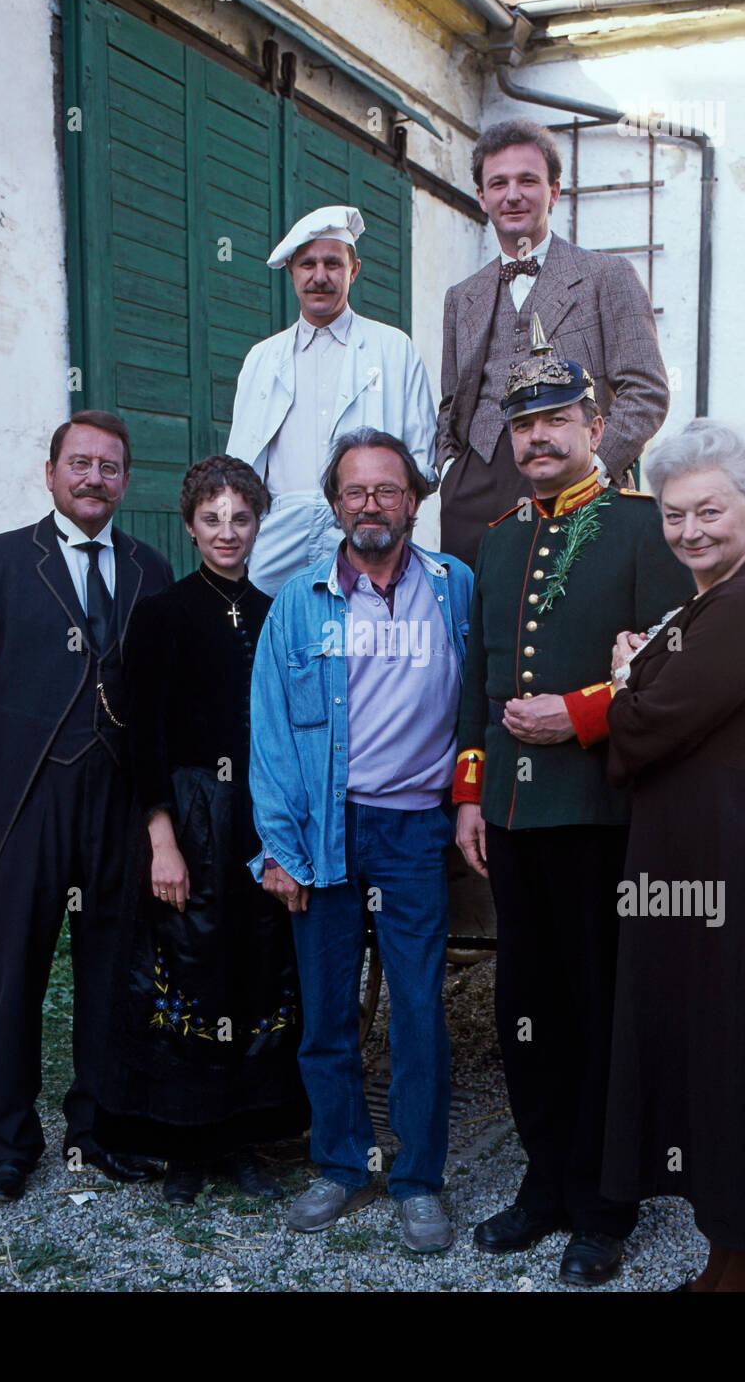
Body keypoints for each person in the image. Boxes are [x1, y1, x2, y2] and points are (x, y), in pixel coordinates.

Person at [452, 334, 694, 1285]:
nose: (540, 437)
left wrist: (583, 714)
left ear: (597, 426)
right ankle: (543, 1183)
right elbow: (480, 678)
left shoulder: (643, 529)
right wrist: (470, 794)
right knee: (527, 1010)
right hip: (510, 818)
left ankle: (603, 1205)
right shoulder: (499, 538)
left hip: (601, 813)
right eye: (525, 424)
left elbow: (673, 671)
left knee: (598, 1013)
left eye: (557, 419)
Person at [591, 419, 745, 1291]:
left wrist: (627, 680)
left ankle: (743, 1267)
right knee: (717, 1048)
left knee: (743, 1050)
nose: (690, 531)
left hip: (740, 870)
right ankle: (729, 1258)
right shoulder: (716, 600)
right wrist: (642, 676)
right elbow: (664, 701)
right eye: (673, 515)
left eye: (710, 512)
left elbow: (647, 725)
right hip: (707, 866)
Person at [0, 409, 174, 1203]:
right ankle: (11, 1142)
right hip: (24, 803)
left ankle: (95, 1129)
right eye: (80, 464)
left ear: (125, 483)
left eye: (109, 467)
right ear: (51, 473)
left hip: (118, 802)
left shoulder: (149, 567)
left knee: (111, 976)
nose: (94, 478)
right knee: (16, 977)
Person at [248, 428, 473, 1252]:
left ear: (413, 500)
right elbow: (270, 735)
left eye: (387, 489)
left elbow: (479, 705)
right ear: (335, 504)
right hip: (327, 829)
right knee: (327, 1012)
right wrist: (278, 848)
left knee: (416, 1009)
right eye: (354, 491)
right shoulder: (299, 604)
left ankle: (418, 1179)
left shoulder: (456, 589)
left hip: (415, 830)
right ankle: (342, 1164)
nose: (370, 504)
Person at [92, 456, 310, 1205]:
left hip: (256, 814)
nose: (227, 533)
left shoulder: (273, 611)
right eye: (212, 519)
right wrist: (162, 839)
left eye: (241, 519)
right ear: (190, 526)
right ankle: (185, 1145)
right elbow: (142, 736)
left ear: (258, 524)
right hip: (186, 816)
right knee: (185, 970)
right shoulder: (161, 613)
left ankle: (243, 1138)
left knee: (254, 970)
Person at [437, 117, 670, 568]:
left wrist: (596, 468)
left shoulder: (608, 276)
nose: (513, 194)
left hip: (574, 478)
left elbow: (649, 391)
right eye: (498, 183)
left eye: (528, 180)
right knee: (476, 625)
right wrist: (450, 471)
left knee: (570, 622)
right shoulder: (460, 297)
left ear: (555, 191)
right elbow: (451, 404)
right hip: (476, 492)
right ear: (482, 198)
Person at [226, 205, 438, 595]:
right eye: (307, 264)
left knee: (363, 638)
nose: (319, 277)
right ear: (291, 271)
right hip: (279, 531)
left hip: (367, 526)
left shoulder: (393, 348)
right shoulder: (262, 358)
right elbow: (240, 463)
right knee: (272, 632)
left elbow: (422, 459)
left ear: (353, 269)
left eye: (332, 264)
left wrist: (390, 524)